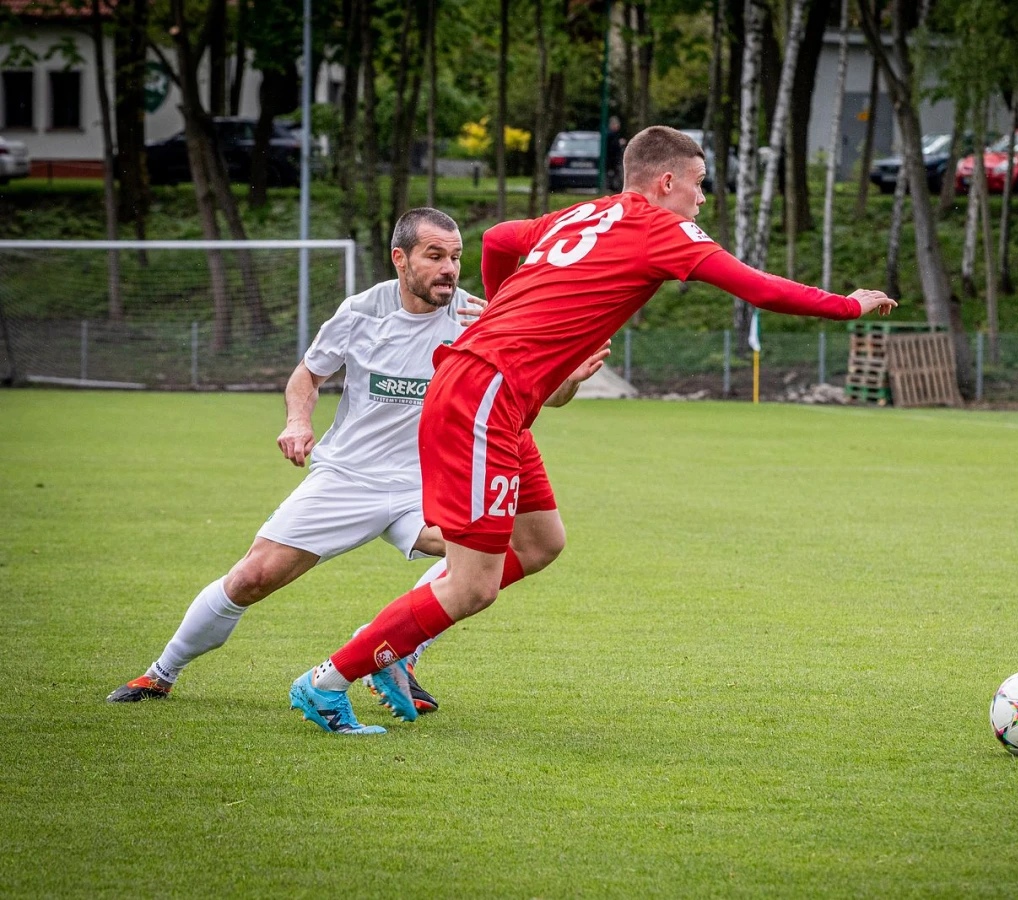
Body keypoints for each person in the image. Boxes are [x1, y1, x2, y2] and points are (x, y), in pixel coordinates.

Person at [289, 125, 896, 734]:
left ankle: (392, 645)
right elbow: (758, 288)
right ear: (667, 181)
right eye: (699, 183)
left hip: (493, 394)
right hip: (484, 394)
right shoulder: (664, 229)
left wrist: (502, 307)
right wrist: (847, 304)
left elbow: (499, 238)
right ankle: (331, 679)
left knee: (540, 542)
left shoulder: (584, 214)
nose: (702, 198)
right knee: (473, 587)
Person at [107, 207, 606, 713]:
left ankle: (393, 648)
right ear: (400, 258)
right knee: (252, 577)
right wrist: (298, 422)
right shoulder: (361, 312)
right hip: (348, 476)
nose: (449, 269)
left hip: (426, 482)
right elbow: (308, 375)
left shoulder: (480, 319)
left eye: (456, 257)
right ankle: (161, 673)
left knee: (480, 561)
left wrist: (568, 377)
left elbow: (539, 397)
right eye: (435, 256)